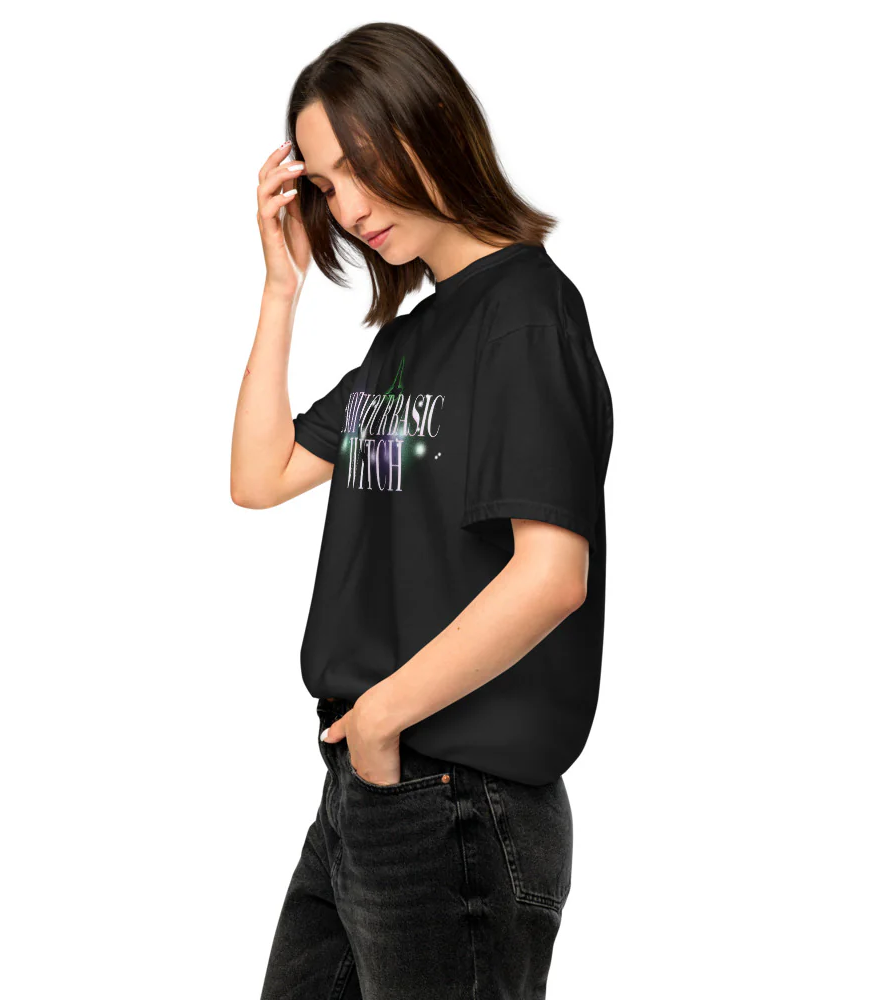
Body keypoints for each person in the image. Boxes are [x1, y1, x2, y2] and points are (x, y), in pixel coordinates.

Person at [230, 22, 614, 1000]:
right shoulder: (409, 341)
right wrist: (280, 289)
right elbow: (260, 474)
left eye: (362, 165)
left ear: (432, 124)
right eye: (325, 185)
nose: (350, 207)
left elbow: (551, 574)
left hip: (457, 800)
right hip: (368, 792)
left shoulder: (525, 315)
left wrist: (383, 719)